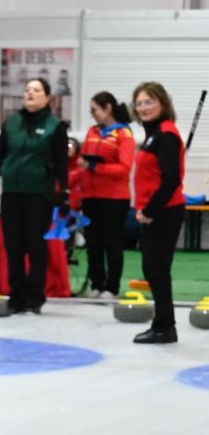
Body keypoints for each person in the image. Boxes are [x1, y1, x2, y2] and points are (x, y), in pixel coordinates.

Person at [0, 77, 68, 314]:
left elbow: (61, 162)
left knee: (36, 247)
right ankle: (16, 295)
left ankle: (35, 296)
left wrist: (64, 190)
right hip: (12, 192)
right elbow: (0, 155)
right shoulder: (11, 122)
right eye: (27, 90)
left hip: (39, 193)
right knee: (14, 246)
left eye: (36, 90)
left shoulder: (55, 126)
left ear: (47, 97)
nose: (30, 93)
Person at [131, 81, 186, 343]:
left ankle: (164, 327)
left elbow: (171, 179)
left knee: (157, 269)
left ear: (162, 103)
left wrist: (150, 211)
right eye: (139, 103)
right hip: (153, 212)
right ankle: (163, 324)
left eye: (149, 101)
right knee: (152, 268)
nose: (143, 107)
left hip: (164, 212)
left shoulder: (165, 134)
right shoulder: (154, 134)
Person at [79, 92, 135, 299]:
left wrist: (95, 167)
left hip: (114, 198)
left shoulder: (124, 134)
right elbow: (83, 159)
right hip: (90, 195)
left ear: (108, 108)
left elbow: (124, 168)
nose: (92, 114)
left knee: (112, 242)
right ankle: (97, 284)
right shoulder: (91, 132)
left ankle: (112, 288)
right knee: (92, 242)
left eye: (95, 109)